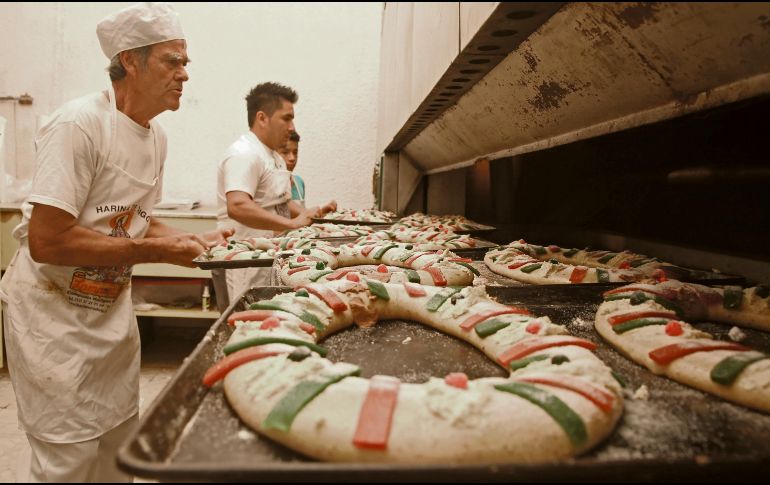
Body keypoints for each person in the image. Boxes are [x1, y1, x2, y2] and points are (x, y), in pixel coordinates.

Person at [0, 3, 231, 482]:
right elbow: (48, 240)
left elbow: (137, 224)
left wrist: (197, 239)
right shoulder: (79, 124)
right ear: (131, 60)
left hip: (108, 319)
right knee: (67, 460)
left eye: (185, 62)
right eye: (173, 61)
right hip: (53, 321)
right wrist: (158, 252)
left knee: (116, 452)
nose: (185, 74)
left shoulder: (155, 139)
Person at [215, 82, 336, 303]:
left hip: (271, 256)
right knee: (247, 321)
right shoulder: (244, 154)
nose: (292, 127)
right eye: (286, 118)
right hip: (246, 263)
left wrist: (312, 217)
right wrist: (291, 224)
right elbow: (238, 205)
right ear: (262, 118)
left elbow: (280, 201)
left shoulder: (272, 156)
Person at [278, 130, 305, 206]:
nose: (292, 158)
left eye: (295, 152)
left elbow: (303, 215)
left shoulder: (299, 182)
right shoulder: (269, 184)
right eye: (285, 152)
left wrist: (321, 212)